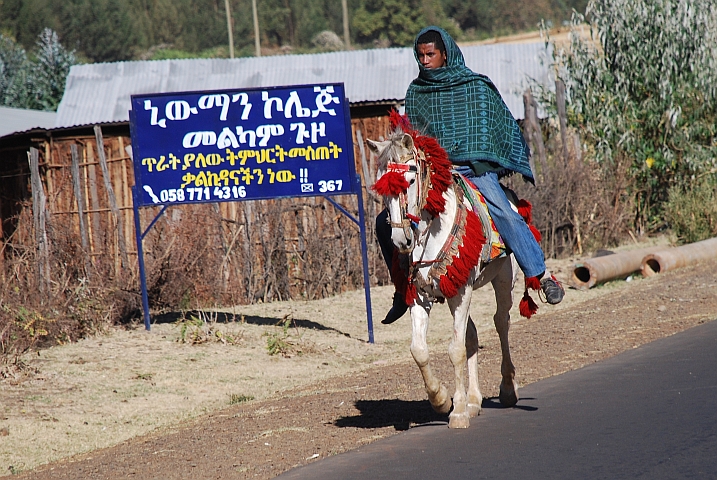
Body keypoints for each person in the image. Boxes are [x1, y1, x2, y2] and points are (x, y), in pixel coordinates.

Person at [378, 26, 564, 325]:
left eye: (430, 54)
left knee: (504, 210)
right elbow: (414, 138)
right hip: (434, 173)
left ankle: (540, 275)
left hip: (473, 170)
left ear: (445, 53)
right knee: (386, 220)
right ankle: (403, 291)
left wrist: (477, 158)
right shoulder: (416, 92)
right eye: (420, 55)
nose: (424, 60)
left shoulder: (474, 86)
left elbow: (492, 125)